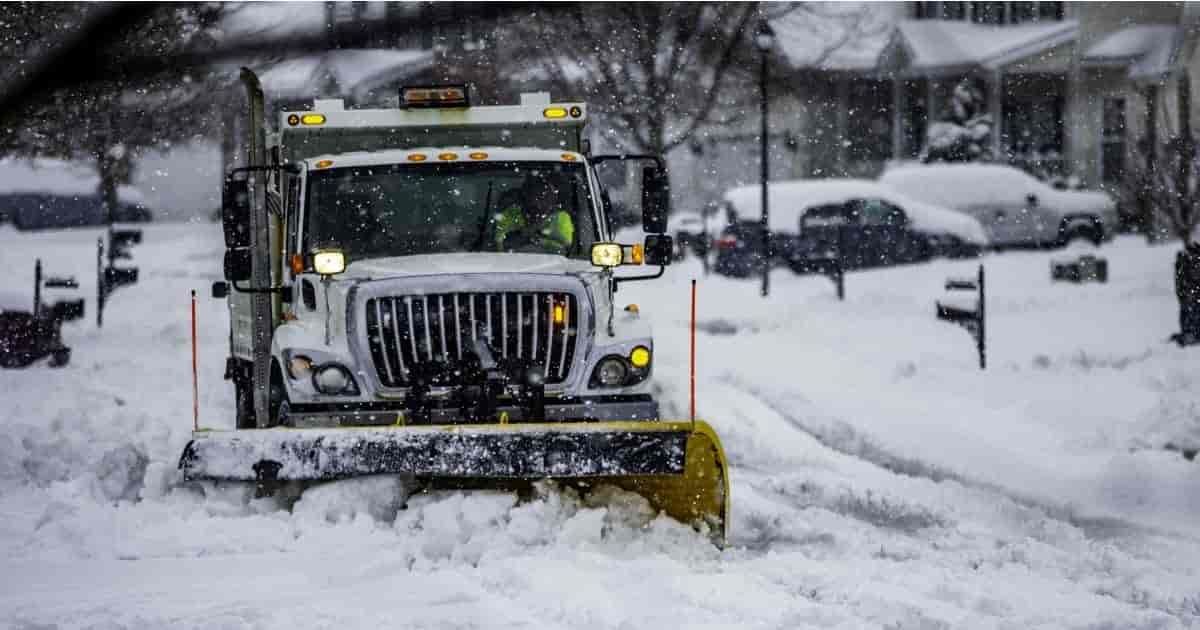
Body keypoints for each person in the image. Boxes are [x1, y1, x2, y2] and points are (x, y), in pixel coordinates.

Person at [493, 176, 575, 255]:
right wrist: (521, 235)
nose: (540, 200)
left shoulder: (561, 217)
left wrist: (539, 239)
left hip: (551, 265)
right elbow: (500, 243)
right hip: (509, 263)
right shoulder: (511, 213)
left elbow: (565, 248)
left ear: (553, 198)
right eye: (536, 194)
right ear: (526, 196)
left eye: (545, 195)